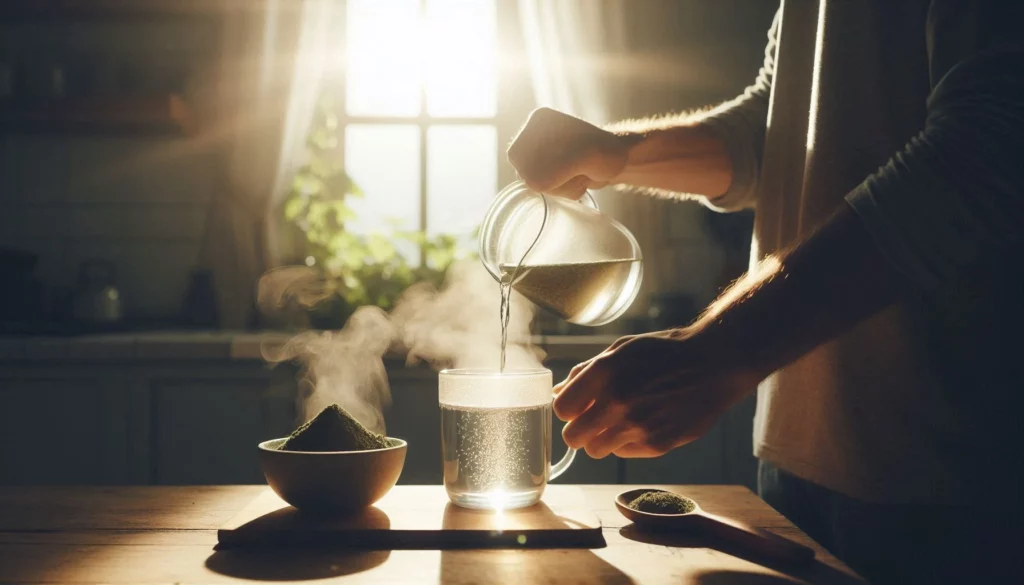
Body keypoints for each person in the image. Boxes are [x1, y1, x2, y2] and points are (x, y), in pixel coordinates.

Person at [507, 2, 1024, 583]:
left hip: (946, 471)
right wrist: (619, 154)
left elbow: (990, 150)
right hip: (796, 452)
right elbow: (777, 131)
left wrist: (718, 352)